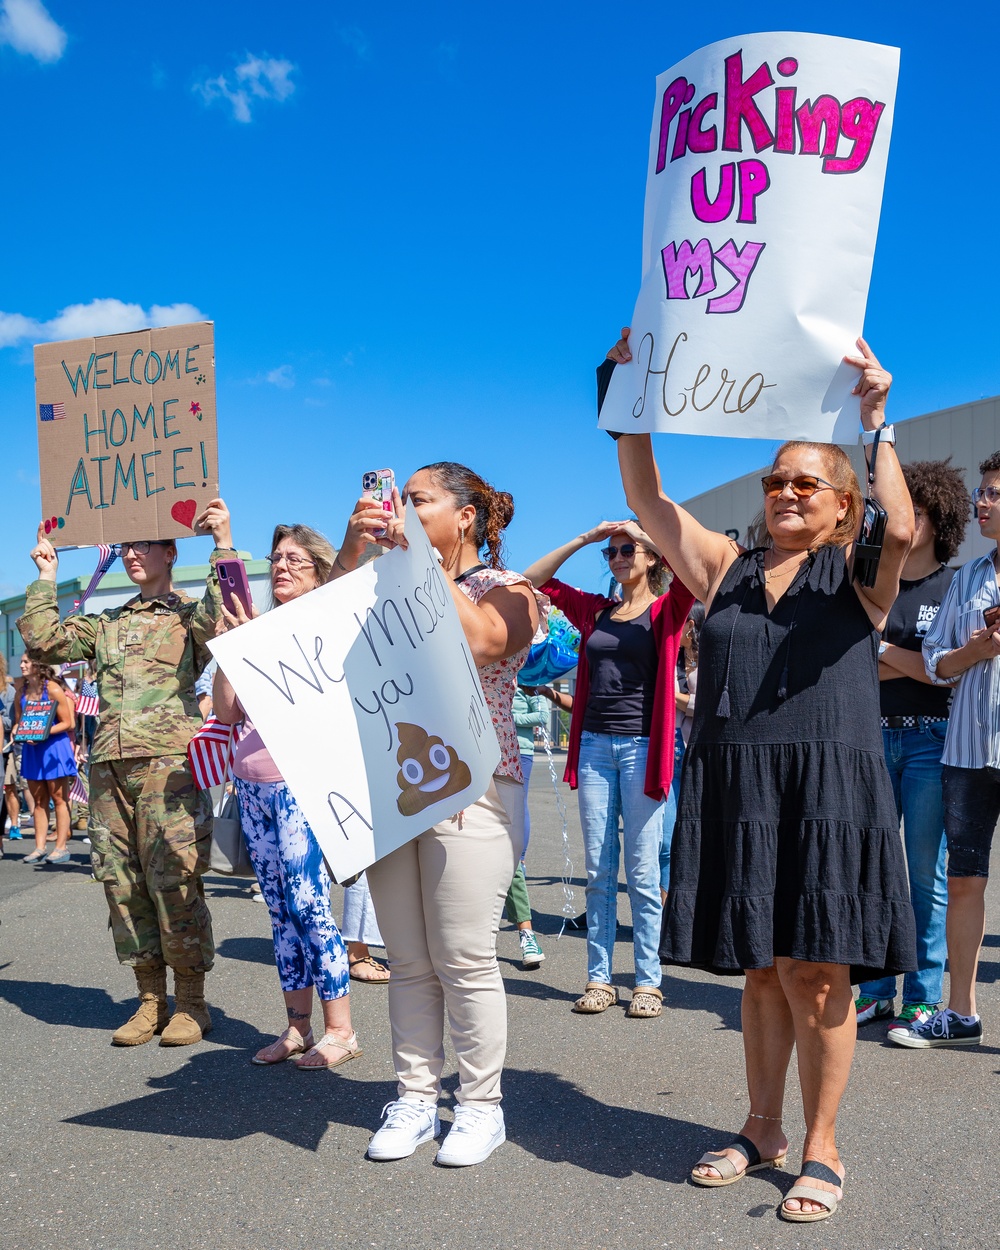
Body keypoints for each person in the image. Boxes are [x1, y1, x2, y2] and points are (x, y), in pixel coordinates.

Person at [612, 327, 915, 1223]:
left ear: (841, 504)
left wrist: (876, 420)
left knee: (820, 972)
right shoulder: (724, 568)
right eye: (775, 480)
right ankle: (761, 1128)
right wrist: (628, 399)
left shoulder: (860, 575)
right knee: (760, 970)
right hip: (739, 785)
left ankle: (822, 1148)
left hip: (829, 787)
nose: (784, 492)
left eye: (805, 483)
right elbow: (647, 497)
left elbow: (900, 526)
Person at [340, 461, 539, 1167]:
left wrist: (418, 562)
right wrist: (352, 548)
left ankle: (482, 1107)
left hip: (474, 787)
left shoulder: (507, 589)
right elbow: (322, 638)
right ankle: (416, 1097)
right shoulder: (378, 582)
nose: (401, 511)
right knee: (409, 958)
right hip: (391, 784)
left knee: (464, 955)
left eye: (416, 501)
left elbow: (487, 640)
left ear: (466, 516)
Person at [17, 503, 236, 1047]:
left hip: (170, 770)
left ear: (170, 552)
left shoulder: (188, 616)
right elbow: (45, 643)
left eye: (144, 545)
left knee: (176, 879)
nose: (132, 554)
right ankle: (148, 999)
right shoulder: (107, 623)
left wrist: (224, 542)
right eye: (125, 548)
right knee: (122, 882)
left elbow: (229, 612)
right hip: (109, 771)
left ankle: (190, 1002)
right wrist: (45, 576)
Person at [524, 521, 693, 1018]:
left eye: (628, 550)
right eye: (613, 551)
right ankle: (599, 979)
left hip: (643, 748)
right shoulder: (596, 611)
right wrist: (582, 540)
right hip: (596, 745)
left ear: (650, 559)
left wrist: (650, 532)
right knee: (599, 870)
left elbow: (691, 574)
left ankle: (647, 981)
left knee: (642, 872)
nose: (618, 556)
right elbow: (534, 580)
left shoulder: (666, 609)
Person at [213, 523, 362, 1069]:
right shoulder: (258, 628)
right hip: (252, 787)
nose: (280, 566)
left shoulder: (321, 628)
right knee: (279, 912)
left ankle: (340, 1030)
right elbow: (228, 711)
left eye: (295, 560)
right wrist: (234, 647)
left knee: (308, 902)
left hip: (302, 786)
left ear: (320, 570)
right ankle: (297, 1026)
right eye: (276, 558)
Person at [852, 460, 969, 1038]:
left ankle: (923, 998)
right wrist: (908, 660)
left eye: (915, 510)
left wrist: (884, 653)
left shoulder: (956, 585)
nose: (904, 516)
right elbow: (851, 663)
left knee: (925, 875)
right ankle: (874, 990)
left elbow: (947, 673)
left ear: (938, 518)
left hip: (931, 739)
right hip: (870, 736)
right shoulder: (874, 581)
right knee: (873, 870)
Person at [893, 452, 1000, 1048]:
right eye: (982, 493)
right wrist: (978, 651)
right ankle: (958, 1013)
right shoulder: (967, 579)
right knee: (962, 881)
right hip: (966, 751)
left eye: (994, 494)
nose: (983, 502)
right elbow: (936, 660)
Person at [12, 657, 77, 864]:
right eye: (21, 662)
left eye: (26, 662)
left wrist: (42, 732)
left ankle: (61, 847)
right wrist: (17, 731)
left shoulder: (54, 688)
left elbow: (68, 723)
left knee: (59, 798)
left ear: (39, 665)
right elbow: (19, 721)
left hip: (54, 748)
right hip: (32, 750)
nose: (22, 665)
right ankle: (39, 847)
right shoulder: (21, 689)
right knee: (39, 800)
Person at [504, 685, 549, 968]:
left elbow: (542, 715)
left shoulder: (532, 675)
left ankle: (526, 932)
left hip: (518, 753)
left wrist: (506, 716)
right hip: (474, 754)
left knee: (510, 849)